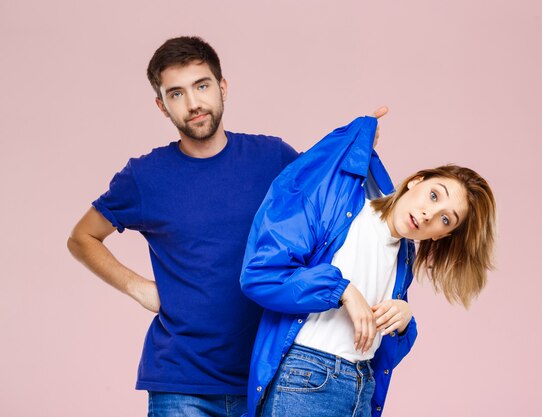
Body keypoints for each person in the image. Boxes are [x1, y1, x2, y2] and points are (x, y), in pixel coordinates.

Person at [66, 36, 299, 417]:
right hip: (180, 382)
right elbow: (82, 237)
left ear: (222, 88)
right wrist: (137, 287)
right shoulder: (145, 176)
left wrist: (358, 142)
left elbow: (329, 198)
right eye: (176, 94)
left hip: (267, 375)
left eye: (202, 86)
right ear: (162, 106)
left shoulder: (272, 157)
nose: (193, 104)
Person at [240, 112, 496, 417]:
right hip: (307, 377)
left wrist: (403, 321)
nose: (429, 214)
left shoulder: (404, 256)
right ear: (416, 180)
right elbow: (263, 275)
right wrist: (342, 290)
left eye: (444, 218)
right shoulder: (351, 209)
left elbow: (381, 346)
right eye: (433, 195)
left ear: (443, 235)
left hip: (360, 386)